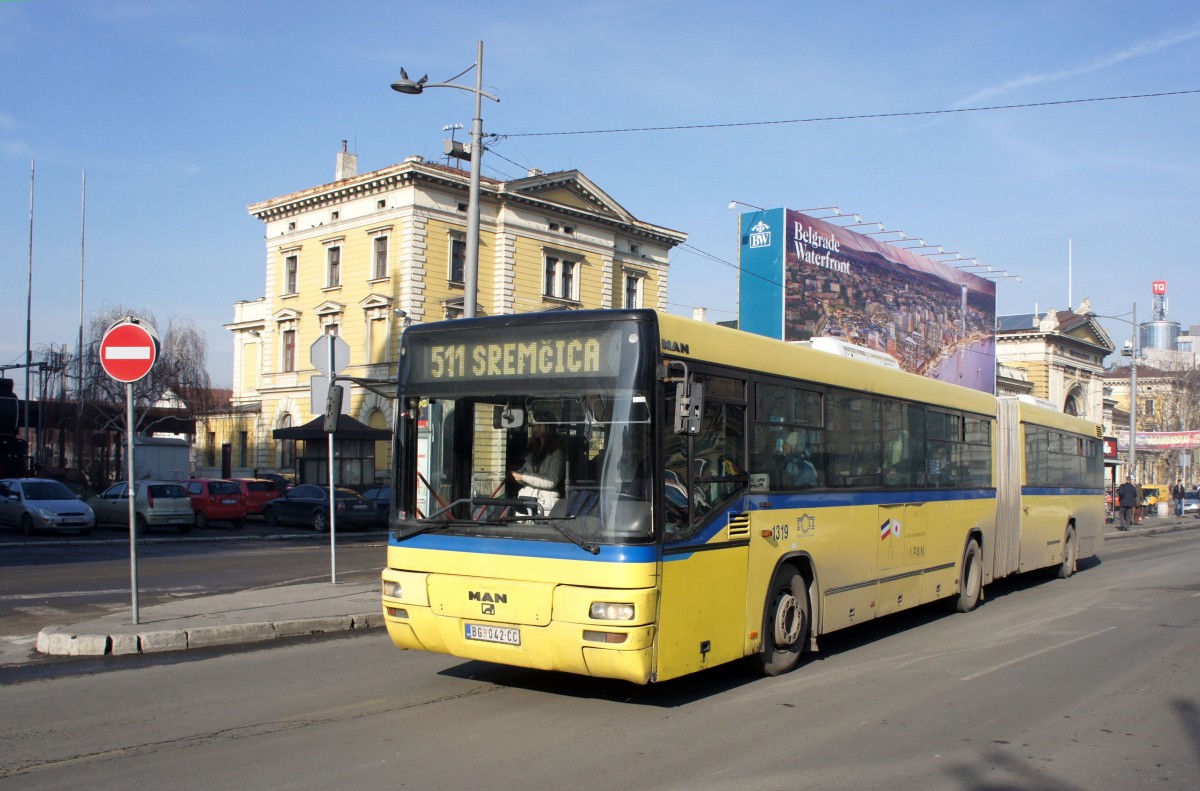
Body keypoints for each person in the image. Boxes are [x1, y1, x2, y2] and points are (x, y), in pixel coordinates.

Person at [511, 413, 565, 514]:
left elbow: (551, 481)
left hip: (544, 505)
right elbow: (524, 472)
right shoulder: (533, 449)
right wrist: (519, 475)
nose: (535, 429)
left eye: (539, 425)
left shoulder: (557, 452)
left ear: (548, 426)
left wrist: (523, 477)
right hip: (526, 502)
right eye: (534, 426)